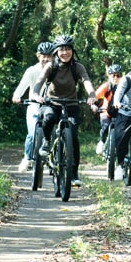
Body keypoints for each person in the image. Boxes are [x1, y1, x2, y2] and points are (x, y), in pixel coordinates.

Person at [31, 35, 97, 188]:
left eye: (67, 49)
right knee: (48, 117)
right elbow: (40, 81)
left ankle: (73, 174)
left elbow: (86, 81)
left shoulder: (77, 67)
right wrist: (35, 94)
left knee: (73, 136)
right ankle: (46, 142)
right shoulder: (50, 66)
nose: (65, 52)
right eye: (61, 49)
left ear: (72, 51)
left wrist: (92, 96)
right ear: (56, 51)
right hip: (52, 103)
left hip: (71, 104)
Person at [12, 41, 56, 171]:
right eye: (44, 56)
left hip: (50, 107)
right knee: (32, 134)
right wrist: (17, 96)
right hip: (34, 107)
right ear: (38, 56)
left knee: (53, 133)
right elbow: (23, 85)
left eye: (49, 56)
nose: (46, 59)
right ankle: (27, 158)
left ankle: (53, 158)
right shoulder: (32, 70)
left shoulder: (56, 70)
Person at [92, 64, 123, 156]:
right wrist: (93, 105)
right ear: (109, 76)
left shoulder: (124, 86)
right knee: (105, 126)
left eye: (118, 75)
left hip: (120, 112)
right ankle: (102, 142)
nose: (116, 78)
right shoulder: (106, 86)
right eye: (113, 75)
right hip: (106, 111)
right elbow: (94, 96)